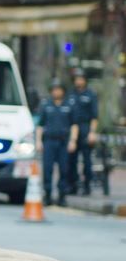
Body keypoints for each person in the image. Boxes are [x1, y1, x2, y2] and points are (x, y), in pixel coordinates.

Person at [36, 79, 78, 207]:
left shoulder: (69, 105)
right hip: (49, 141)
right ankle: (47, 194)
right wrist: (38, 141)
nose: (56, 92)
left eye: (58, 89)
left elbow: (74, 125)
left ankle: (62, 196)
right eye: (54, 89)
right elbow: (40, 125)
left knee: (64, 169)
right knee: (47, 169)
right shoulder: (46, 105)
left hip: (63, 141)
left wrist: (73, 140)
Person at [67, 68, 99, 195]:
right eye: (76, 79)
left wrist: (92, 132)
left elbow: (94, 116)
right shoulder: (70, 94)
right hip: (73, 129)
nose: (78, 81)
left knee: (87, 160)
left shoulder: (90, 94)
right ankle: (73, 185)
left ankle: (87, 186)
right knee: (71, 160)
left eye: (81, 79)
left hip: (85, 128)